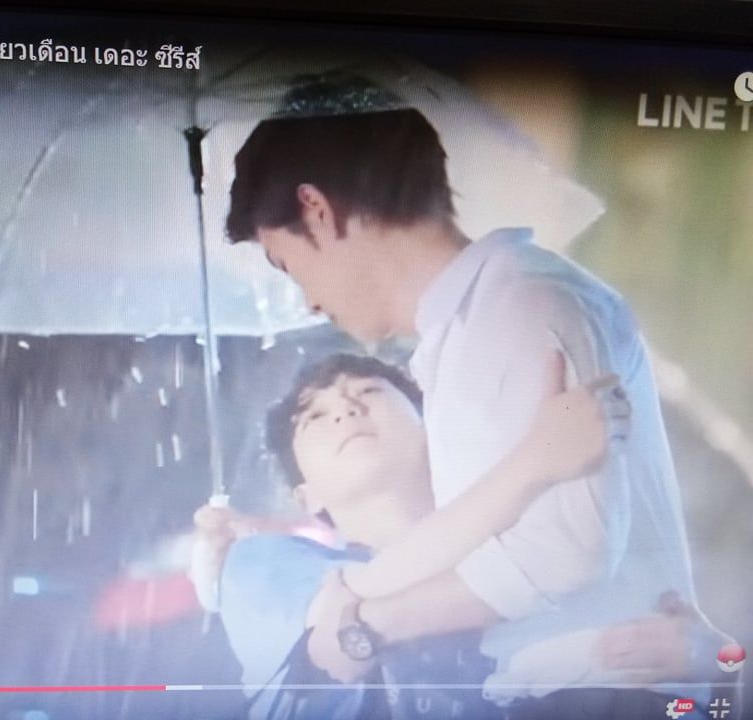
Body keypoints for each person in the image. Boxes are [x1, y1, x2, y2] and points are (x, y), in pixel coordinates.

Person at [222, 74, 726, 717]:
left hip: (598, 695)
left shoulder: (522, 305)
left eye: (289, 266)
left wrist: (369, 620)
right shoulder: (466, 332)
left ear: (318, 212)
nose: (310, 302)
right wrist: (351, 591)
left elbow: (566, 548)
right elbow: (481, 526)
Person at [196, 353, 696, 720]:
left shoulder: (540, 546)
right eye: (315, 417)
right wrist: (536, 463)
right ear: (306, 497)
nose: (346, 411)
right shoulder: (258, 564)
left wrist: (694, 676)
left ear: (429, 426)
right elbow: (337, 632)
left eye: (368, 392)